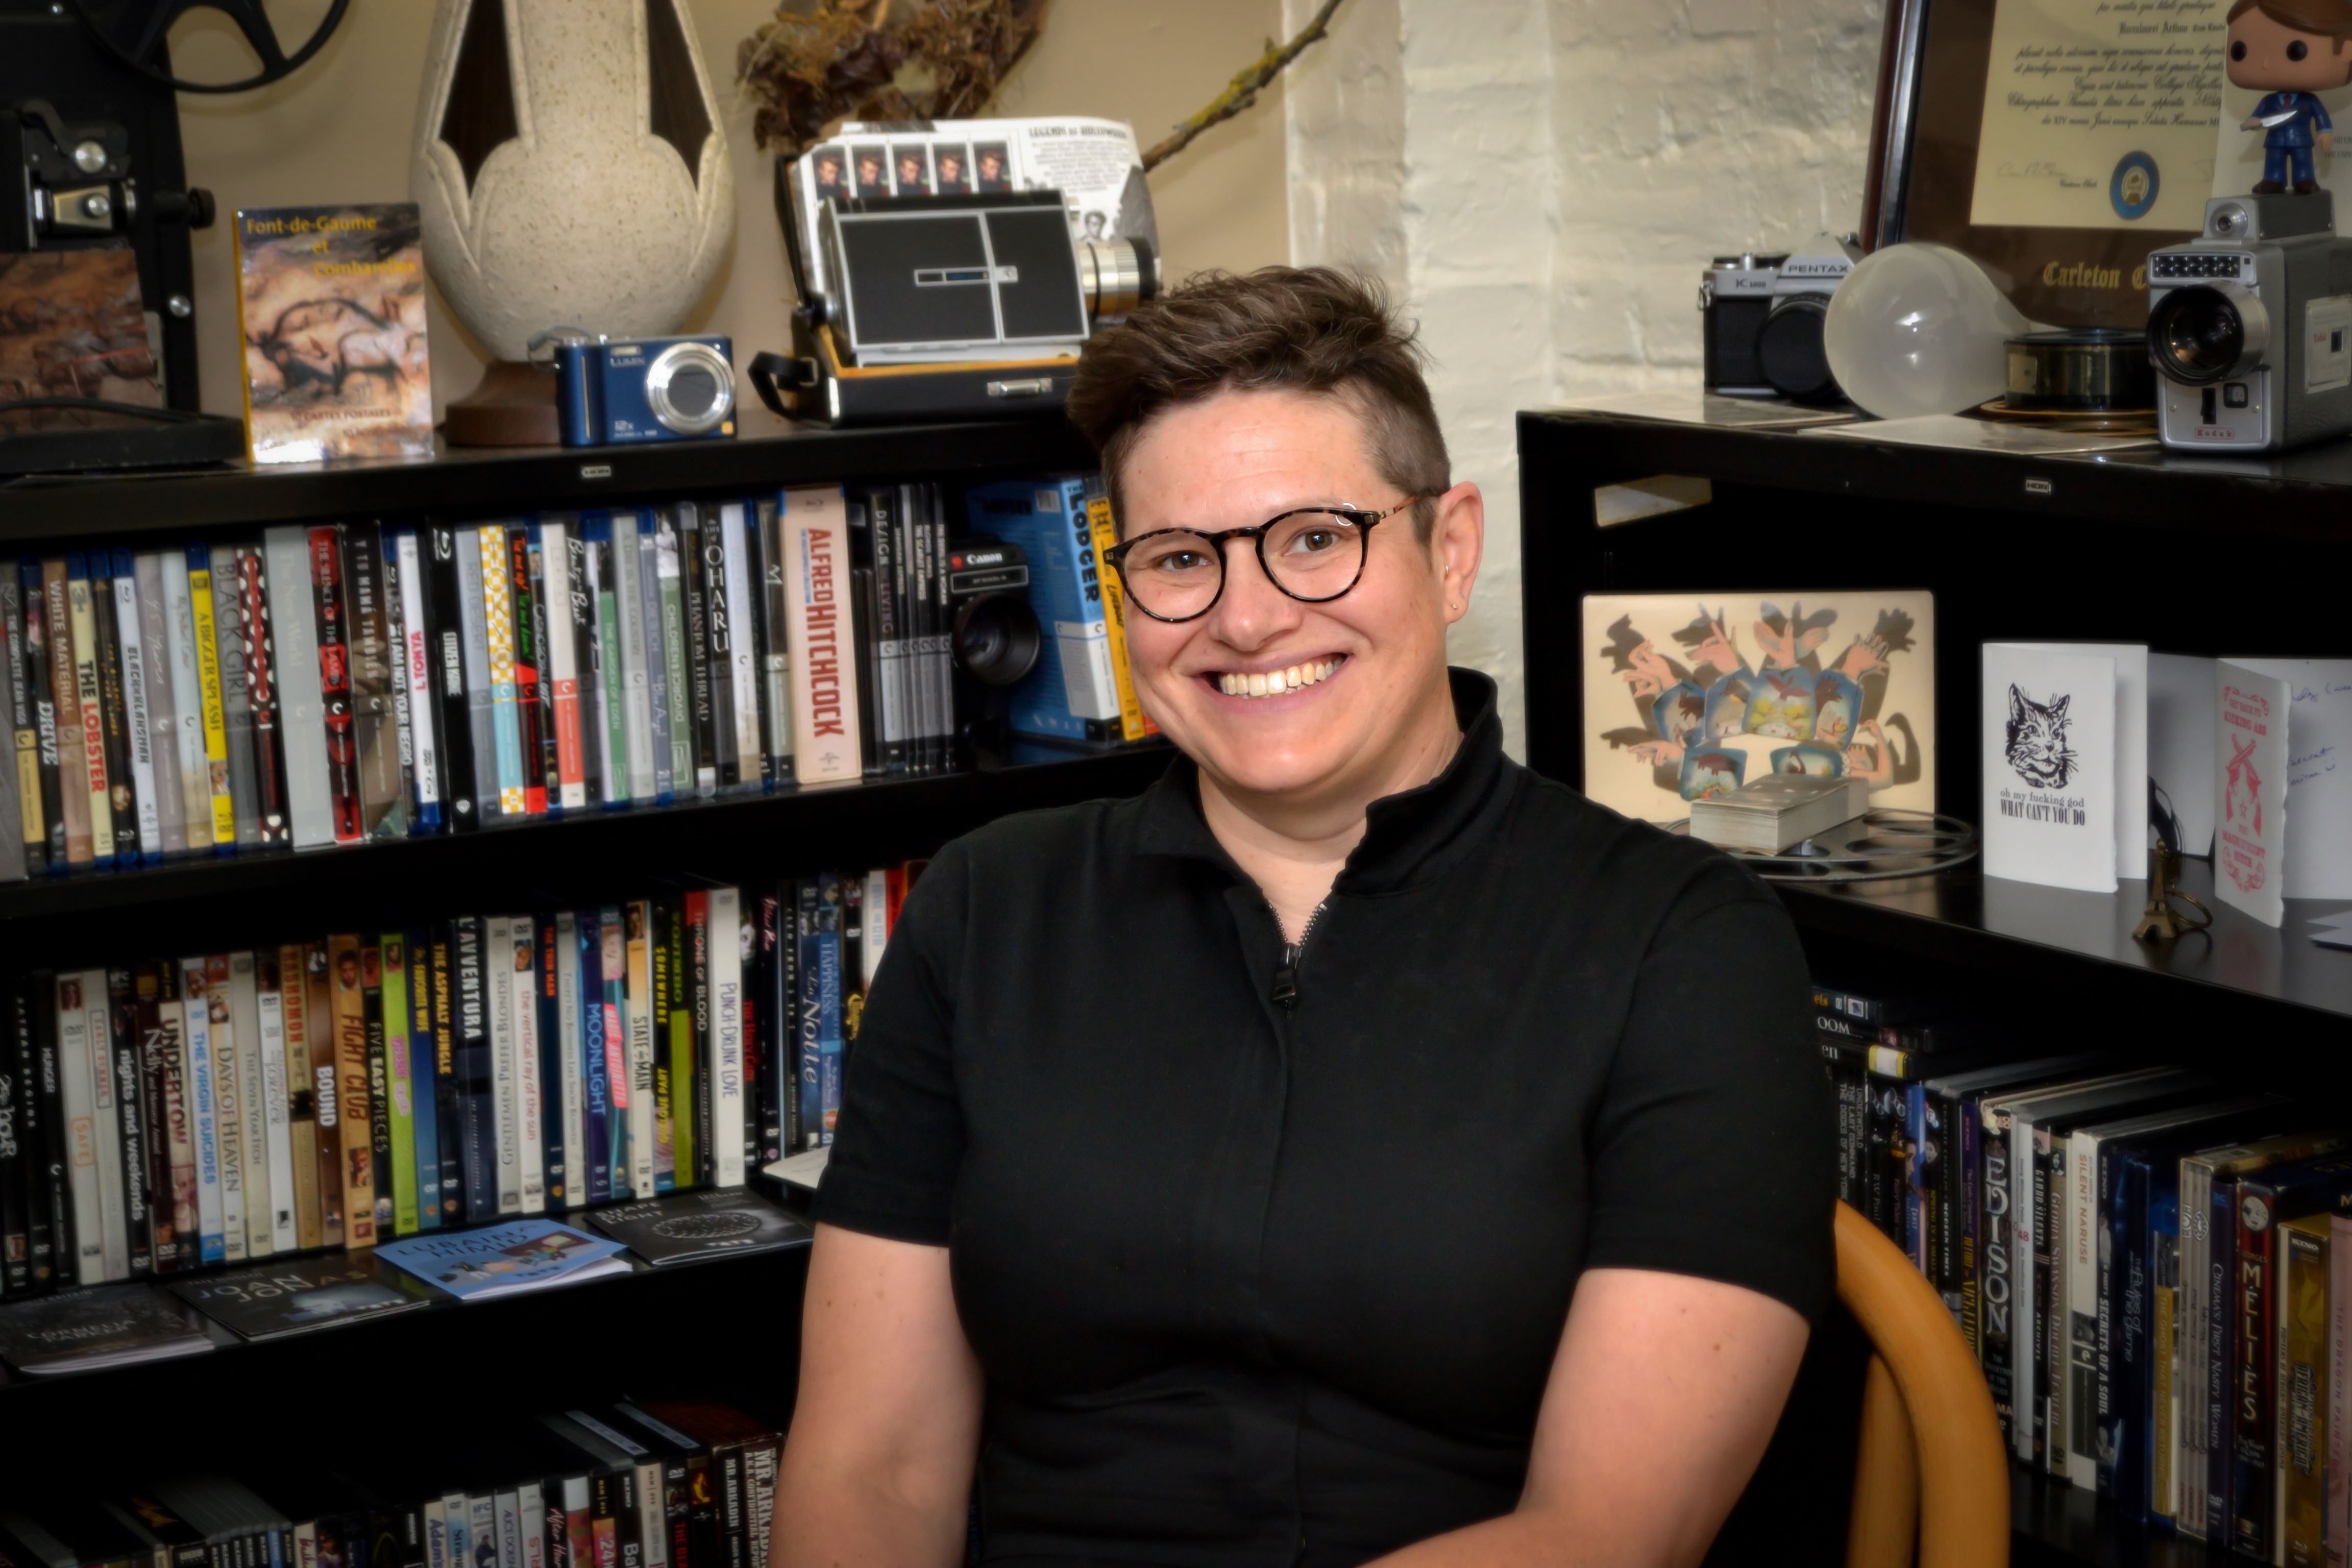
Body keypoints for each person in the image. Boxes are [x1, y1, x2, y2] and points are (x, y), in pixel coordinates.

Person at [775, 267, 1832, 1567]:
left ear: (1449, 549)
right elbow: (868, 1471)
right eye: (1177, 558)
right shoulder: (989, 908)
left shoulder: (1682, 942)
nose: (1247, 613)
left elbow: (1606, 1531)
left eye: (1315, 535)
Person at [2230, 0, 2352, 193]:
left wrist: (2325, 132)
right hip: (2275, 140)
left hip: (2301, 140)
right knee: (2274, 161)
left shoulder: (2309, 100)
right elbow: (2257, 116)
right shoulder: (2268, 102)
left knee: (2303, 161)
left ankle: (2305, 179)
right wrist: (2251, 122)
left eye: (2295, 51)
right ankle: (2273, 180)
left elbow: (2321, 116)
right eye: (2240, 51)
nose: (2266, 63)